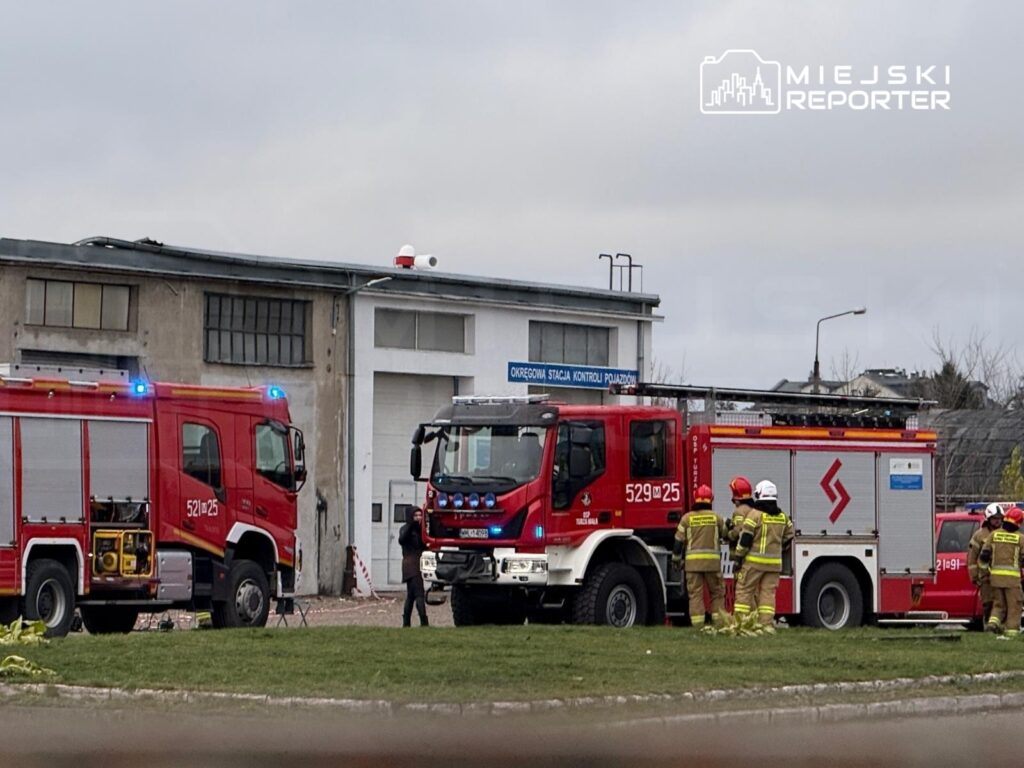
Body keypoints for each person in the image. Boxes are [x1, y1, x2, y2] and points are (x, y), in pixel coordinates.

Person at [733, 479, 794, 632]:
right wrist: (779, 546)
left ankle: (741, 624)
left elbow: (745, 539)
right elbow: (790, 534)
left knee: (744, 590)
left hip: (754, 563)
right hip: (774, 564)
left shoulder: (754, 515)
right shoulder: (783, 517)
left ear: (759, 495)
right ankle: (766, 626)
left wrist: (738, 558)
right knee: (768, 594)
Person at [672, 484, 728, 628]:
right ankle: (719, 624)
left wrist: (676, 560)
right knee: (717, 594)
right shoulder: (717, 518)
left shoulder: (686, 519)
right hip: (712, 565)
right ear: (711, 500)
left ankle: (698, 626)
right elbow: (726, 535)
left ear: (695, 499)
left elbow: (678, 542)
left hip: (692, 566)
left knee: (695, 595)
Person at [979, 505, 1024, 637]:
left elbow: (984, 556)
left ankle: (992, 624)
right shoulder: (1020, 538)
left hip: (995, 580)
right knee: (1014, 606)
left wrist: (984, 574)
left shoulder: (993, 535)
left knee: (998, 605)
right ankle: (1011, 633)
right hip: (1013, 581)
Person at [967, 502, 1004, 625]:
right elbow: (972, 557)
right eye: (994, 519)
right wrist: (974, 576)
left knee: (1002, 604)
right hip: (986, 578)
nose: (997, 521)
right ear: (988, 519)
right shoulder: (979, 535)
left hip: (1001, 577)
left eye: (999, 519)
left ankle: (999, 627)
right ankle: (988, 625)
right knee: (988, 603)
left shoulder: (1005, 533)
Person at [398, 506, 429, 627]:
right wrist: (412, 526)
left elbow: (424, 546)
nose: (418, 518)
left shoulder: (420, 530)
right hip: (411, 564)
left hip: (416, 563)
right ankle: (424, 621)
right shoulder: (405, 529)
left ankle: (406, 623)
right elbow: (402, 540)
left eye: (420, 515)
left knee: (411, 595)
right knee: (419, 593)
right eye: (415, 516)